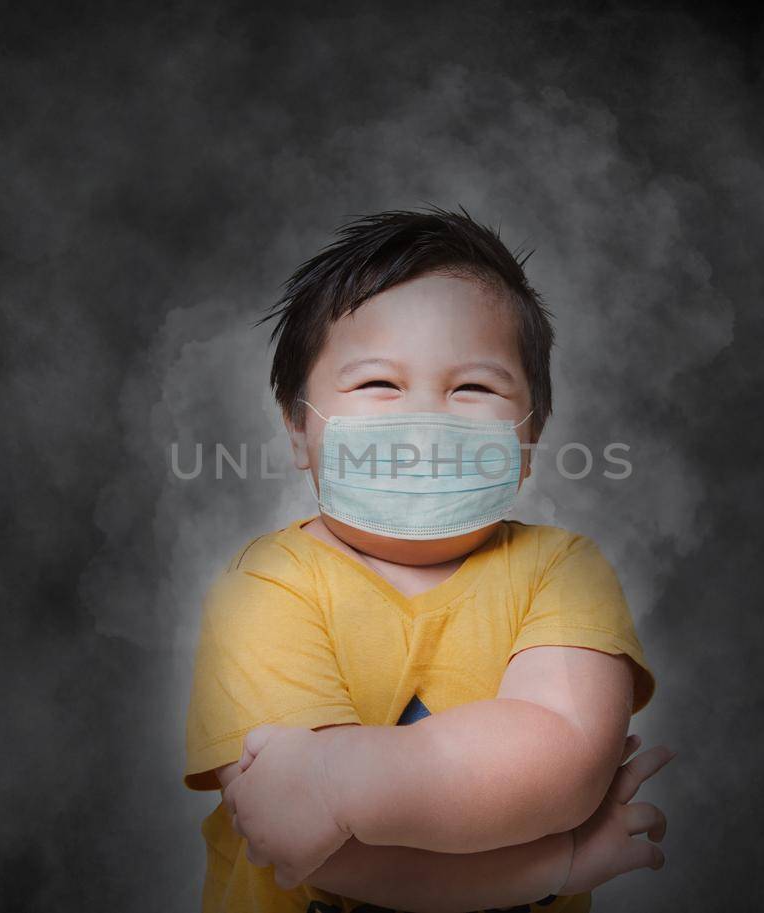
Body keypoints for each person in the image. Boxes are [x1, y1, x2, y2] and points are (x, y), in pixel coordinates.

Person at [183, 206, 675, 913]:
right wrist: (557, 862)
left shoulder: (562, 569)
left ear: (529, 434)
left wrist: (336, 780)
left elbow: (561, 758)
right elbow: (323, 852)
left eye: (472, 388)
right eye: (378, 384)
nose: (426, 427)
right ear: (299, 427)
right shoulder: (263, 589)